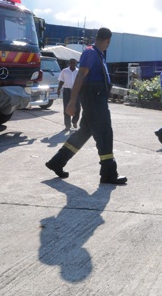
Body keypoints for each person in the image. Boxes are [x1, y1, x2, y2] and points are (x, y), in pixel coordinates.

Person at [45, 28, 127, 184]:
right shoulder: (90, 53)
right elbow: (81, 75)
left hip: (96, 98)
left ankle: (57, 162)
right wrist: (72, 101)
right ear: (108, 40)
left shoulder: (97, 54)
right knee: (104, 133)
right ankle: (108, 173)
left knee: (84, 133)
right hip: (94, 99)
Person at [58, 58, 81, 129]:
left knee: (78, 108)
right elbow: (61, 81)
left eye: (74, 63)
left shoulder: (79, 71)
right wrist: (58, 89)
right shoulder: (64, 71)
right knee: (66, 108)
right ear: (69, 63)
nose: (72, 64)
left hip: (77, 91)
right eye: (71, 62)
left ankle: (75, 121)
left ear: (76, 63)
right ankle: (67, 125)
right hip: (67, 91)